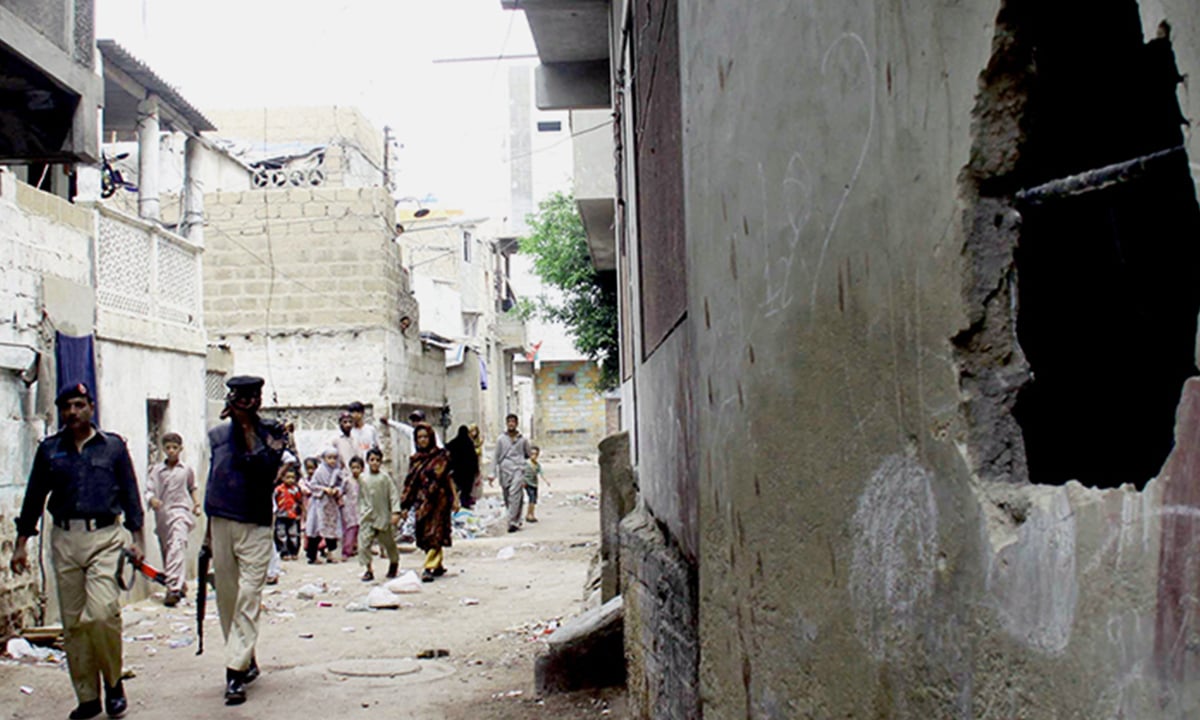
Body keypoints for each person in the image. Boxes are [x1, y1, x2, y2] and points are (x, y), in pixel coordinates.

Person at [9, 383, 144, 720]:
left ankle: (114, 684)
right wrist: (21, 544)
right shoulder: (50, 450)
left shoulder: (112, 447)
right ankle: (87, 697)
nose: (73, 412)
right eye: (67, 406)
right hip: (65, 539)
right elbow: (34, 497)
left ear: (91, 407)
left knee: (101, 615)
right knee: (74, 624)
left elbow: (130, 493)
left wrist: (138, 539)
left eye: (79, 405)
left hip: (105, 537)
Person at [204, 375, 288, 705]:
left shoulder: (272, 433)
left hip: (255, 524)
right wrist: (207, 536)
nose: (247, 403)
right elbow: (212, 482)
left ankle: (234, 673)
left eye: (253, 397)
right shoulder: (216, 436)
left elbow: (266, 469)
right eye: (241, 397)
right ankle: (244, 656)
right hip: (222, 520)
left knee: (249, 594)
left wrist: (249, 431)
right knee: (227, 598)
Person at [145, 432, 199, 607]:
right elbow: (149, 489)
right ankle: (180, 583)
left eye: (174, 448)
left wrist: (196, 504)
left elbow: (192, 487)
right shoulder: (156, 470)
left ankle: (173, 589)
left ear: (180, 449)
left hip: (180, 511)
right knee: (168, 549)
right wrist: (152, 499)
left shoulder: (186, 470)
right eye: (168, 448)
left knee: (177, 544)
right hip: (163, 514)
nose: (171, 451)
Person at [401, 423, 456, 582]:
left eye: (425, 437)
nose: (423, 440)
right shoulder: (416, 460)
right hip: (422, 502)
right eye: (419, 438)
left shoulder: (441, 456)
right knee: (424, 533)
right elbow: (410, 483)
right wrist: (405, 505)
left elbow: (447, 478)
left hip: (439, 500)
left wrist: (455, 499)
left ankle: (429, 567)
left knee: (435, 532)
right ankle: (437, 564)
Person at [357, 448, 401, 582]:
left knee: (389, 543)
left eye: (377, 460)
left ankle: (394, 563)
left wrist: (395, 512)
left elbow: (393, 495)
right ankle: (368, 569)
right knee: (364, 544)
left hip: (383, 516)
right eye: (372, 460)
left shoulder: (385, 478)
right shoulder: (363, 478)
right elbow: (361, 497)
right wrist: (361, 511)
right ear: (367, 462)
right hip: (368, 516)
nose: (374, 463)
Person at [303, 448, 344, 564]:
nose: (332, 461)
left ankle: (331, 554)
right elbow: (313, 485)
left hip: (331, 504)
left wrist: (336, 490)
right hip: (319, 504)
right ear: (324, 459)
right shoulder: (320, 471)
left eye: (334, 458)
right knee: (316, 530)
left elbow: (341, 485)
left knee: (331, 529)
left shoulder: (337, 471)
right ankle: (312, 556)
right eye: (329, 458)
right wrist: (324, 489)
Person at [492, 413, 531, 533]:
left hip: (518, 469)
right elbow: (496, 457)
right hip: (505, 470)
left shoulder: (523, 439)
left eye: (513, 422)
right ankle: (516, 518)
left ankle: (511, 522)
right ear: (506, 423)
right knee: (508, 495)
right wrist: (492, 473)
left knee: (515, 493)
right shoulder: (501, 439)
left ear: (517, 423)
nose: (511, 424)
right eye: (509, 422)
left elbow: (527, 454)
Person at [446, 425, 479, 510]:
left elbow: (446, 449)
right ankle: (465, 504)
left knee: (457, 488)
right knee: (466, 489)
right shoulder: (469, 443)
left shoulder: (454, 442)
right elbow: (474, 458)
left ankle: (454, 503)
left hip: (457, 471)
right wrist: (476, 470)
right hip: (468, 472)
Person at [274, 466, 303, 560]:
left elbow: (299, 501)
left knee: (293, 534)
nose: (290, 480)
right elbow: (274, 501)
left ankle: (293, 552)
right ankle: (284, 553)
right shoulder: (278, 490)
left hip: (292, 515)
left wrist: (302, 513)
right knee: (281, 535)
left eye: (292, 478)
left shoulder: (295, 489)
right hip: (281, 515)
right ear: (282, 478)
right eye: (288, 477)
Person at [341, 456, 363, 560]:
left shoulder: (363, 481)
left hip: (360, 508)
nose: (355, 470)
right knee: (350, 529)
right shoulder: (348, 481)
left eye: (357, 467)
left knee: (359, 528)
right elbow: (341, 492)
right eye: (353, 467)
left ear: (362, 469)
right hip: (349, 508)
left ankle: (356, 547)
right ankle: (346, 551)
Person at [523, 445, 549, 523]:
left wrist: (546, 480)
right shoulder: (526, 463)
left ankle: (530, 514)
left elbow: (541, 473)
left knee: (534, 500)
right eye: (532, 454)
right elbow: (521, 472)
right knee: (531, 498)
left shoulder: (537, 465)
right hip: (528, 483)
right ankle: (529, 515)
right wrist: (522, 481)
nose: (534, 456)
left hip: (534, 483)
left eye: (535, 454)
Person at [468, 423, 485, 504]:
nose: (473, 433)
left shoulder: (478, 442)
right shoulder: (468, 442)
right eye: (472, 431)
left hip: (477, 465)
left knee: (477, 483)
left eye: (475, 431)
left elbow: (479, 453)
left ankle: (476, 499)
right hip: (470, 466)